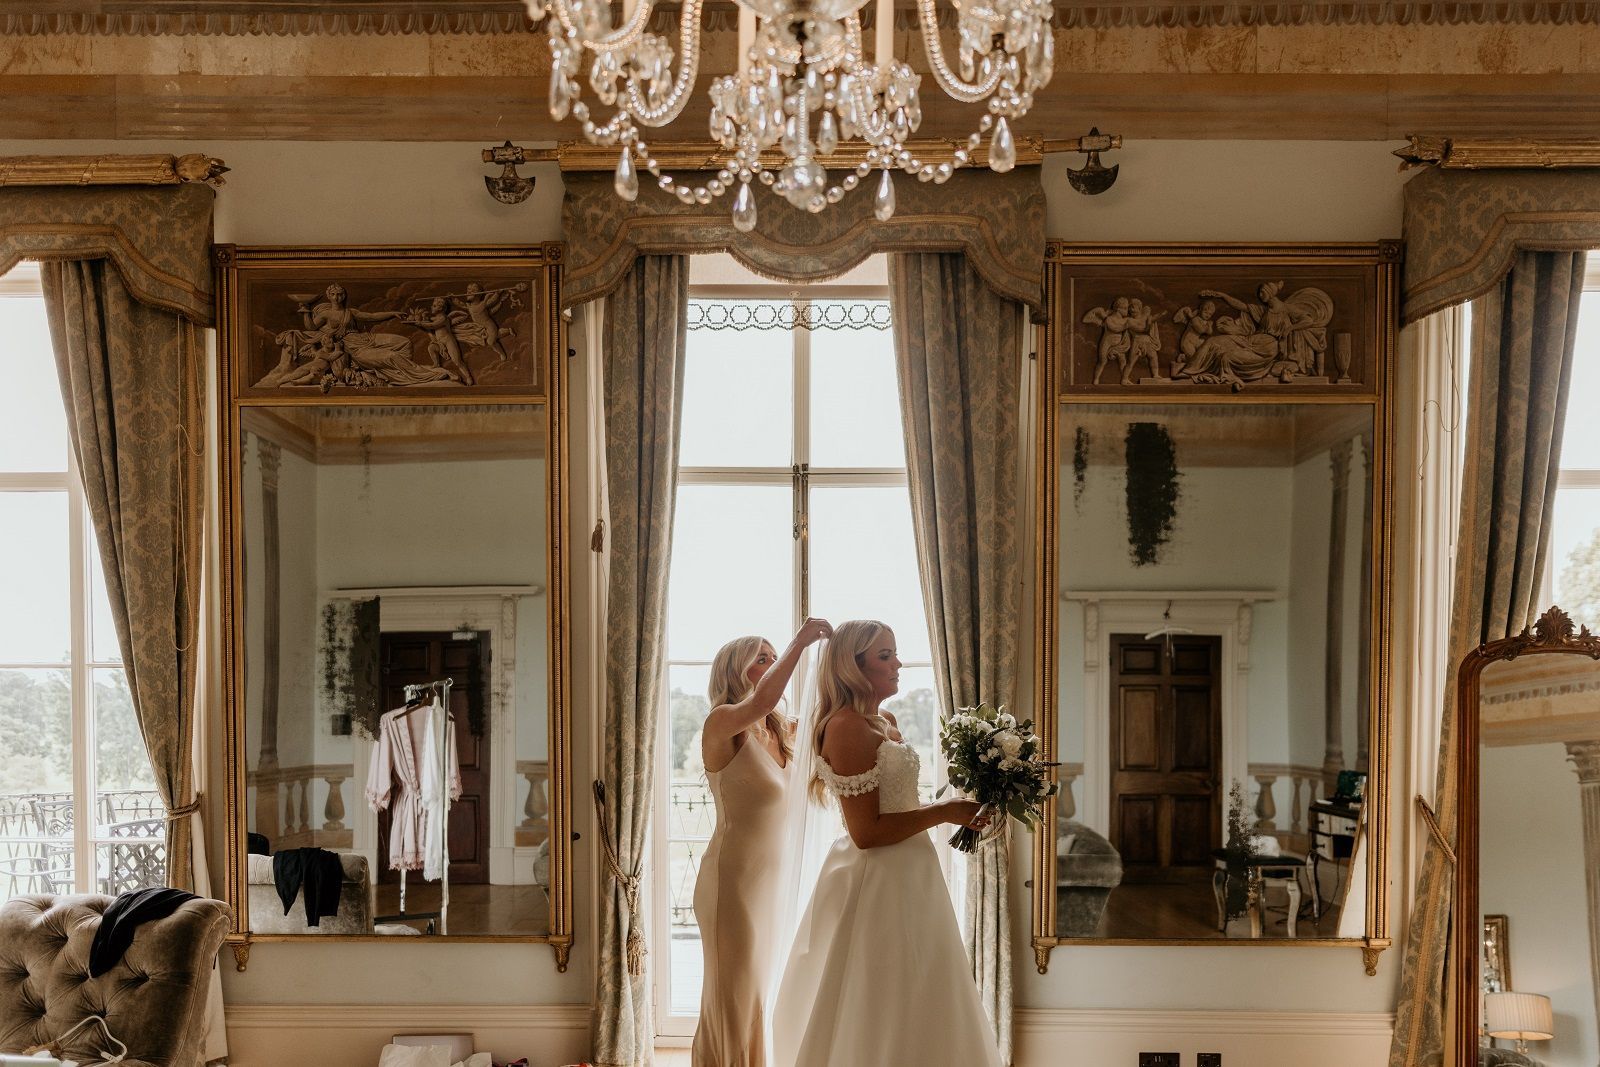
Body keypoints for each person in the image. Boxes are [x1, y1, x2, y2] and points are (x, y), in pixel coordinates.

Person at [772, 620, 1001, 1067]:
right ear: (852, 667)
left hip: (913, 869)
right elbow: (867, 833)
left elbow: (898, 800)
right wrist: (946, 812)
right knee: (882, 990)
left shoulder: (884, 721)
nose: (898, 663)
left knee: (922, 985)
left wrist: (959, 804)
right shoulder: (845, 727)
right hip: (876, 878)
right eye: (885, 656)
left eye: (894, 653)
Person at [692, 618, 833, 1067]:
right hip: (731, 879)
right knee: (731, 991)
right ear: (734, 672)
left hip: (769, 880)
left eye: (775, 658)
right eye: (762, 659)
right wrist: (802, 641)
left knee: (754, 991)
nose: (772, 666)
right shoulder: (722, 723)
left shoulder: (779, 732)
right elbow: (766, 697)